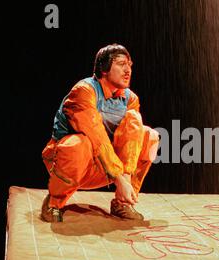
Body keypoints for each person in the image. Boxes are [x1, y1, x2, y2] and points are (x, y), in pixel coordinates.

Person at [41, 43, 159, 222]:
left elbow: (132, 139)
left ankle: (123, 202)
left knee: (148, 135)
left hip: (105, 167)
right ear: (104, 68)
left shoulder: (130, 98)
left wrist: (125, 179)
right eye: (121, 64)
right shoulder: (84, 91)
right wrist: (119, 179)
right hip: (69, 162)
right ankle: (54, 202)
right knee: (79, 144)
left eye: (129, 65)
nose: (128, 70)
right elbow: (96, 135)